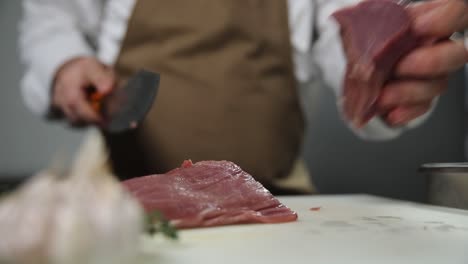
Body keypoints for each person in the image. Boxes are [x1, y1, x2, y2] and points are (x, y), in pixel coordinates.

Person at [19, 0, 468, 194]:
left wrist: (382, 76)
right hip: (114, 196)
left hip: (275, 198)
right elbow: (51, 18)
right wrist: (64, 64)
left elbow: (343, 41)